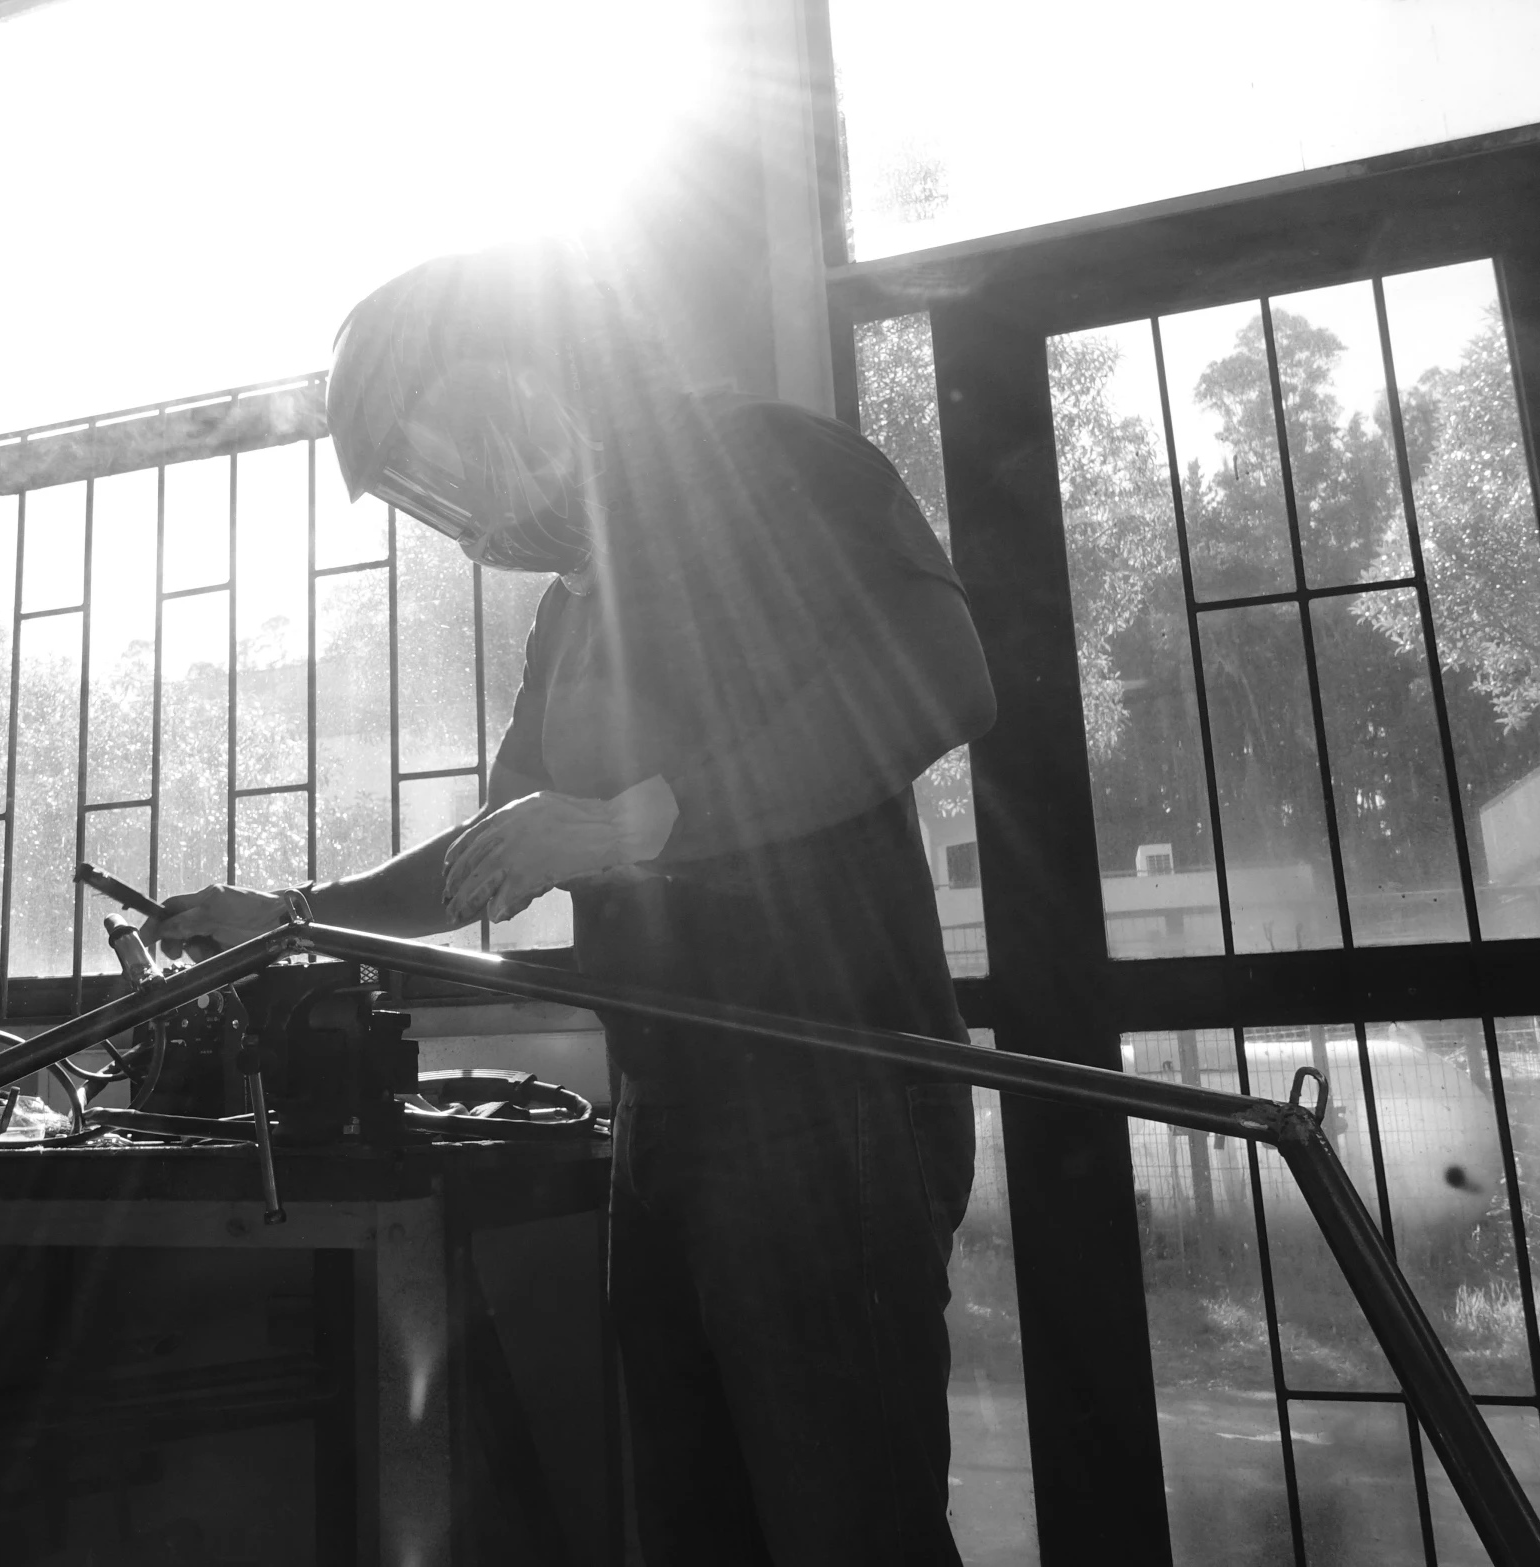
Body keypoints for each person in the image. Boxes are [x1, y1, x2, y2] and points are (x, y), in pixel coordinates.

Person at [146, 242, 994, 1564]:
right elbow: (495, 852)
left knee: (848, 1525)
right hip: (673, 1107)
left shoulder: (775, 464)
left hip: (839, 1090)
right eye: (421, 498)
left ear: (530, 380)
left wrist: (640, 818)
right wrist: (294, 914)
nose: (456, 521)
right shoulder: (568, 610)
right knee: (690, 1520)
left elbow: (938, 678)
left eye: (441, 463)